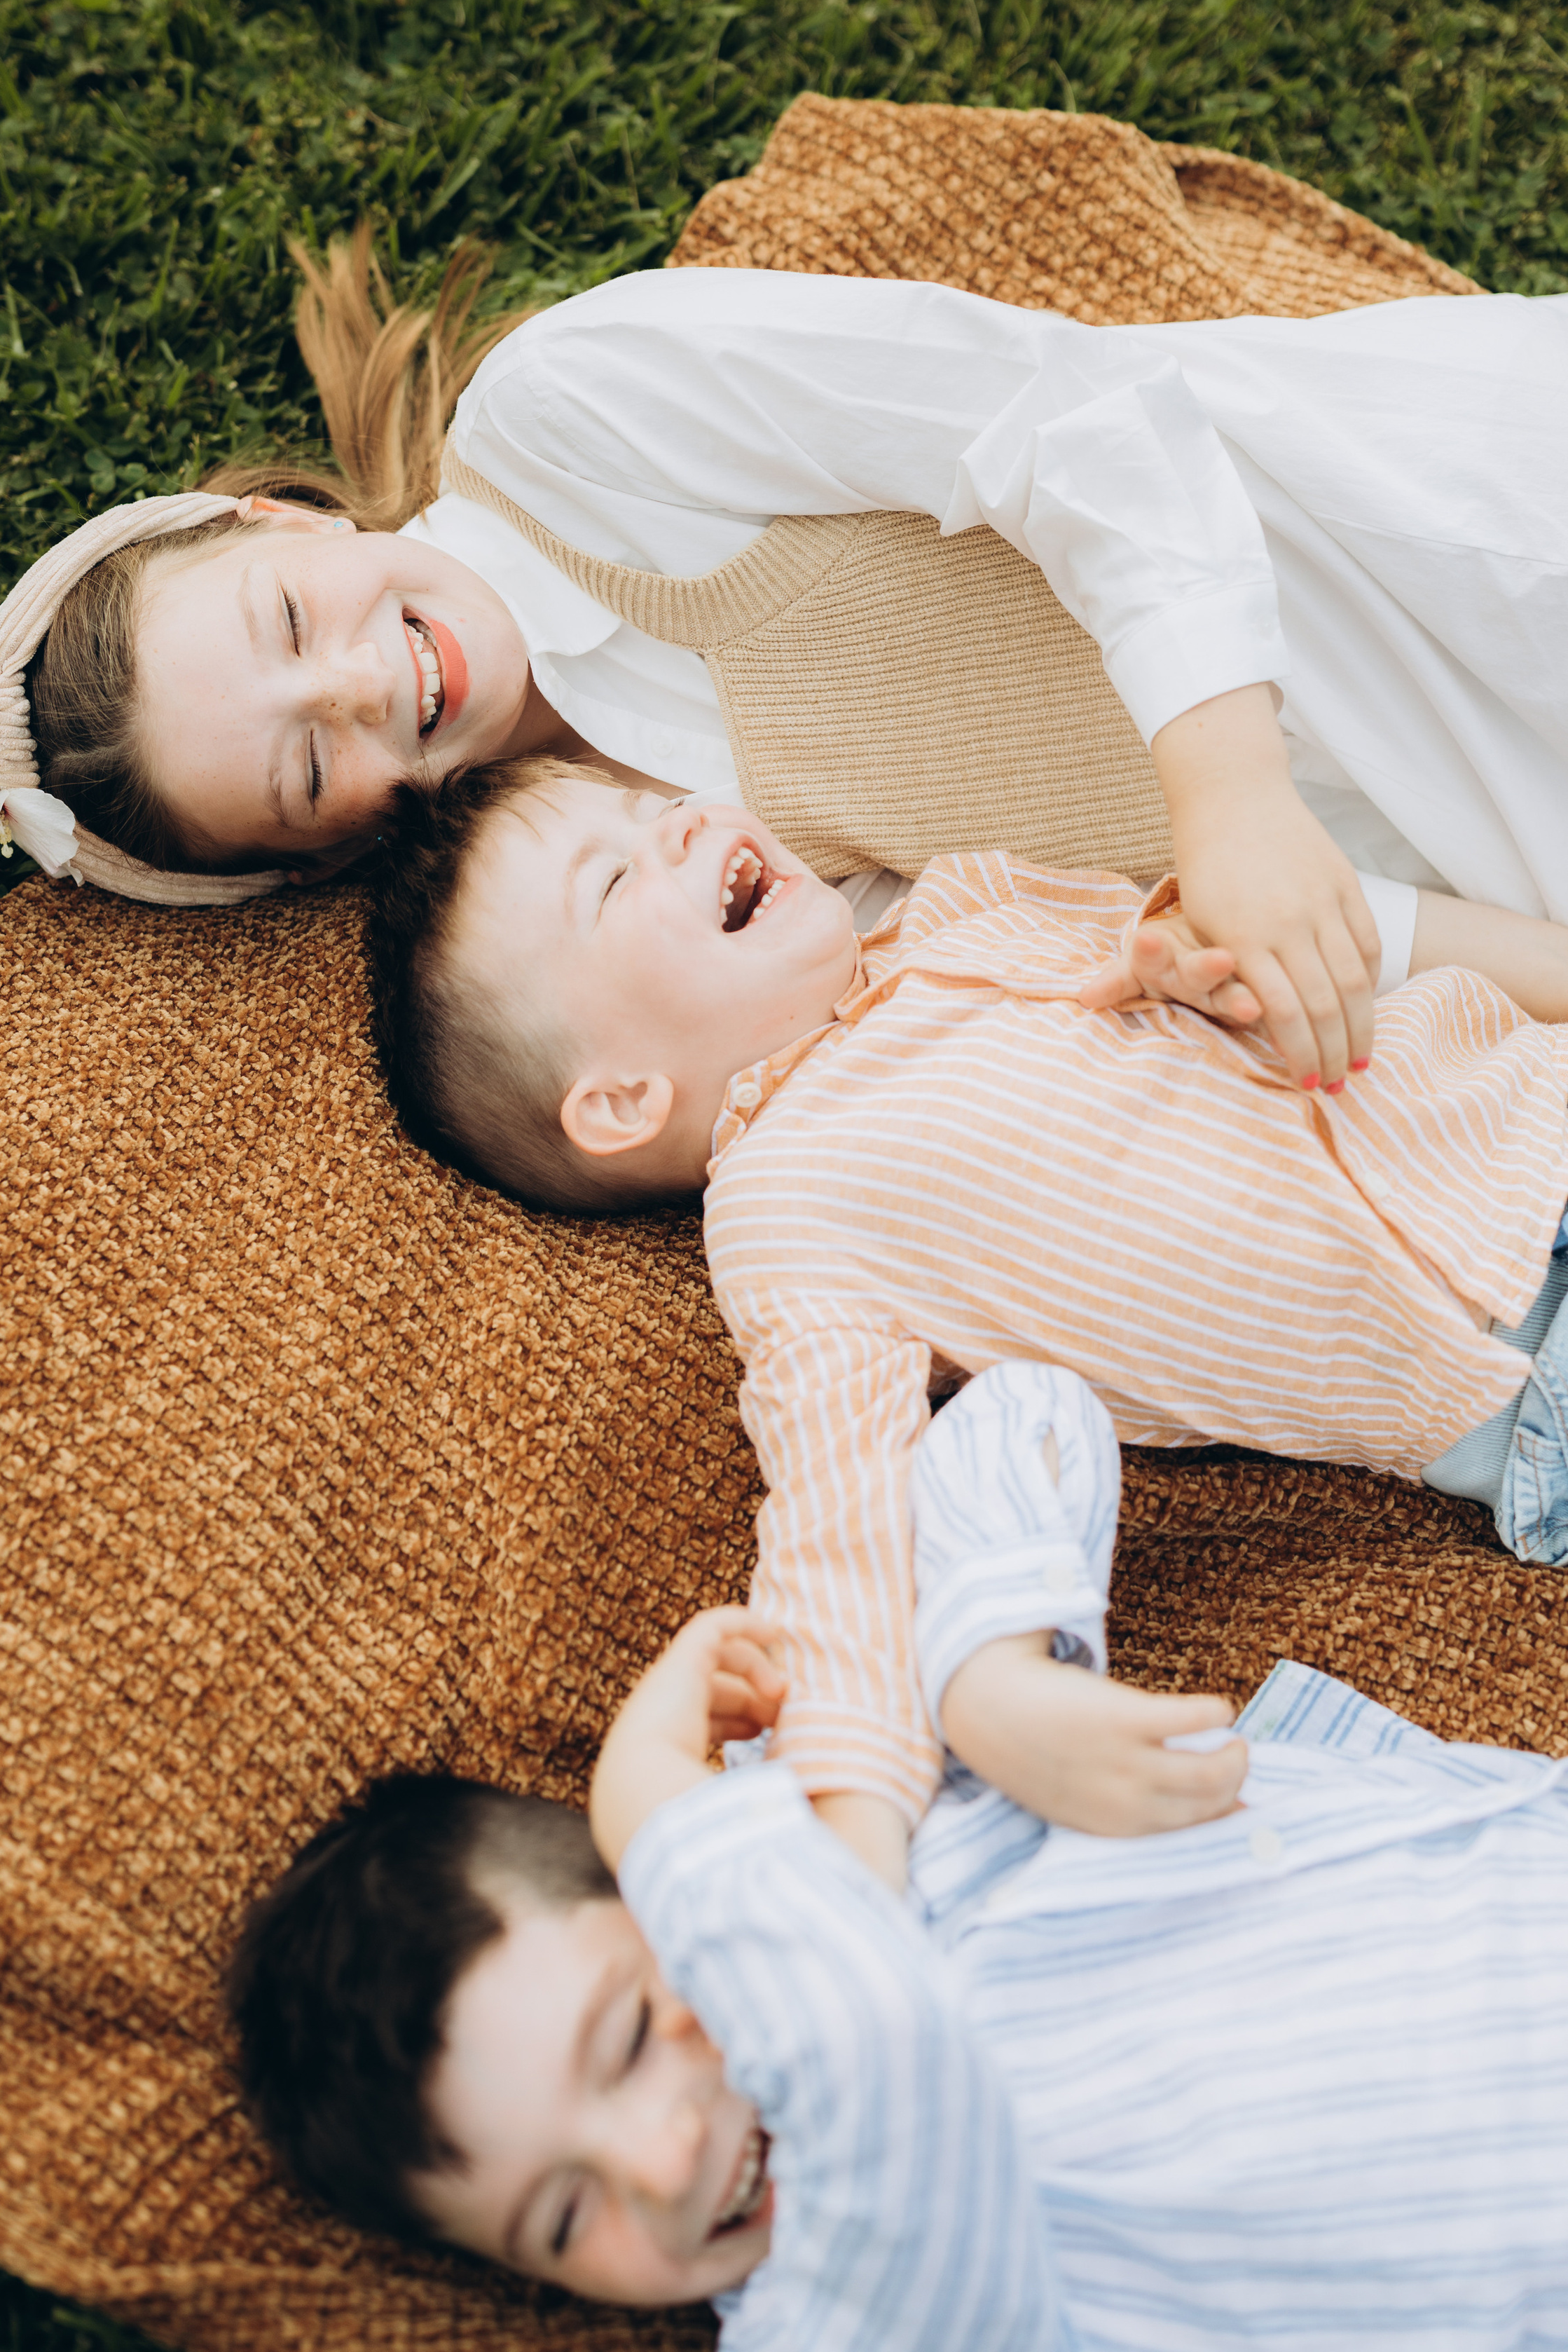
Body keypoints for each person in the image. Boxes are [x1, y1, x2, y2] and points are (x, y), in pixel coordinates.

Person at [0, 227, 1568, 1096]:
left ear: (282, 518)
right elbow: (1063, 939)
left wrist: (1225, 791)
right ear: (332, 844)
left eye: (285, 622)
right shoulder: (651, 871)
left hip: (1448, 546)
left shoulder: (568, 419)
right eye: (304, 768)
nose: (348, 686)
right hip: (1472, 860)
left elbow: (1072, 416)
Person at [358, 755, 1568, 1880]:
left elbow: (1241, 941)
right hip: (1520, 1369)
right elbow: (843, 1519)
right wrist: (859, 1835)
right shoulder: (787, 1202)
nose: (673, 821)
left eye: (646, 800)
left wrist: (1185, 957)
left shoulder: (962, 897)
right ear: (622, 1099)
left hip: (1524, 1095)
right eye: (615, 875)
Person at [226, 1363, 1568, 2348]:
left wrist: (984, 1678)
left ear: (649, 1911)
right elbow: (880, 2053)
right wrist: (659, 1811)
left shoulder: (843, 1782)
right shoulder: (831, 2312)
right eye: (566, 2223)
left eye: (631, 2033)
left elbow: (1023, 1417)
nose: (659, 2161)